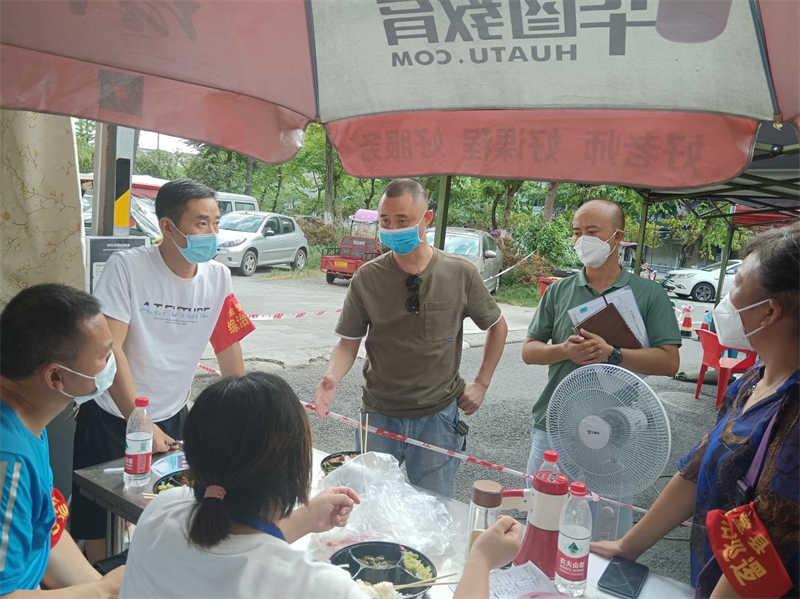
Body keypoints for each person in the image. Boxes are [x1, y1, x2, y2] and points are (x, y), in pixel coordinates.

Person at [120, 372, 523, 599]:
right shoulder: (316, 587)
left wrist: (303, 521)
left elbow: (239, 547)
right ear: (297, 475)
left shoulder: (162, 512)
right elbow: (257, 564)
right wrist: (480, 561)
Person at [593, 222, 800, 598]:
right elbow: (698, 468)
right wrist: (627, 547)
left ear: (769, 311)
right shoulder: (753, 379)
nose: (727, 298)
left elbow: (766, 544)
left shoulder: (794, 412)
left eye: (737, 284)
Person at [71, 179, 254, 563]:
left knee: (168, 513)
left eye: (216, 223)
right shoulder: (128, 267)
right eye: (201, 223)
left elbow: (228, 347)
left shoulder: (218, 277)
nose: (212, 233)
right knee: (103, 522)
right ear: (168, 227)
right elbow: (111, 348)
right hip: (114, 416)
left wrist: (244, 418)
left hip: (172, 416)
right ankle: (101, 578)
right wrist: (138, 421)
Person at [314, 178, 509, 498]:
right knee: (370, 504)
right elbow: (348, 342)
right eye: (385, 221)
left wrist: (481, 383)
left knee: (434, 507)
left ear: (426, 218)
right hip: (378, 414)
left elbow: (498, 326)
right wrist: (331, 376)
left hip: (437, 418)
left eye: (402, 220)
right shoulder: (367, 277)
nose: (392, 229)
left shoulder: (459, 273)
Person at [521, 200, 681, 533]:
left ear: (617, 237)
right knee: (543, 519)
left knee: (603, 530)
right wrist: (565, 351)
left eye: (592, 232)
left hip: (618, 429)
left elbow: (669, 361)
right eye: (576, 232)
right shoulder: (559, 291)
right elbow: (529, 351)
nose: (582, 240)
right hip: (555, 423)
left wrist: (613, 354)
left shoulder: (649, 294)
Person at [0, 284, 124, 597]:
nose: (113, 365)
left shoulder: (28, 418)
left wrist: (102, 589)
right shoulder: (9, 461)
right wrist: (103, 590)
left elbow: (43, 531)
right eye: (104, 356)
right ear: (56, 377)